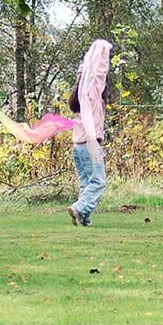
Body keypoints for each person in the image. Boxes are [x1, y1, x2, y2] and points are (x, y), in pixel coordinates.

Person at [68, 39, 112, 227]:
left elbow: (86, 73)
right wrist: (102, 52)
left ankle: (84, 218)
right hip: (89, 144)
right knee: (99, 182)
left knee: (87, 184)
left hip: (78, 146)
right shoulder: (92, 91)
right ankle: (79, 208)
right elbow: (98, 74)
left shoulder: (79, 91)